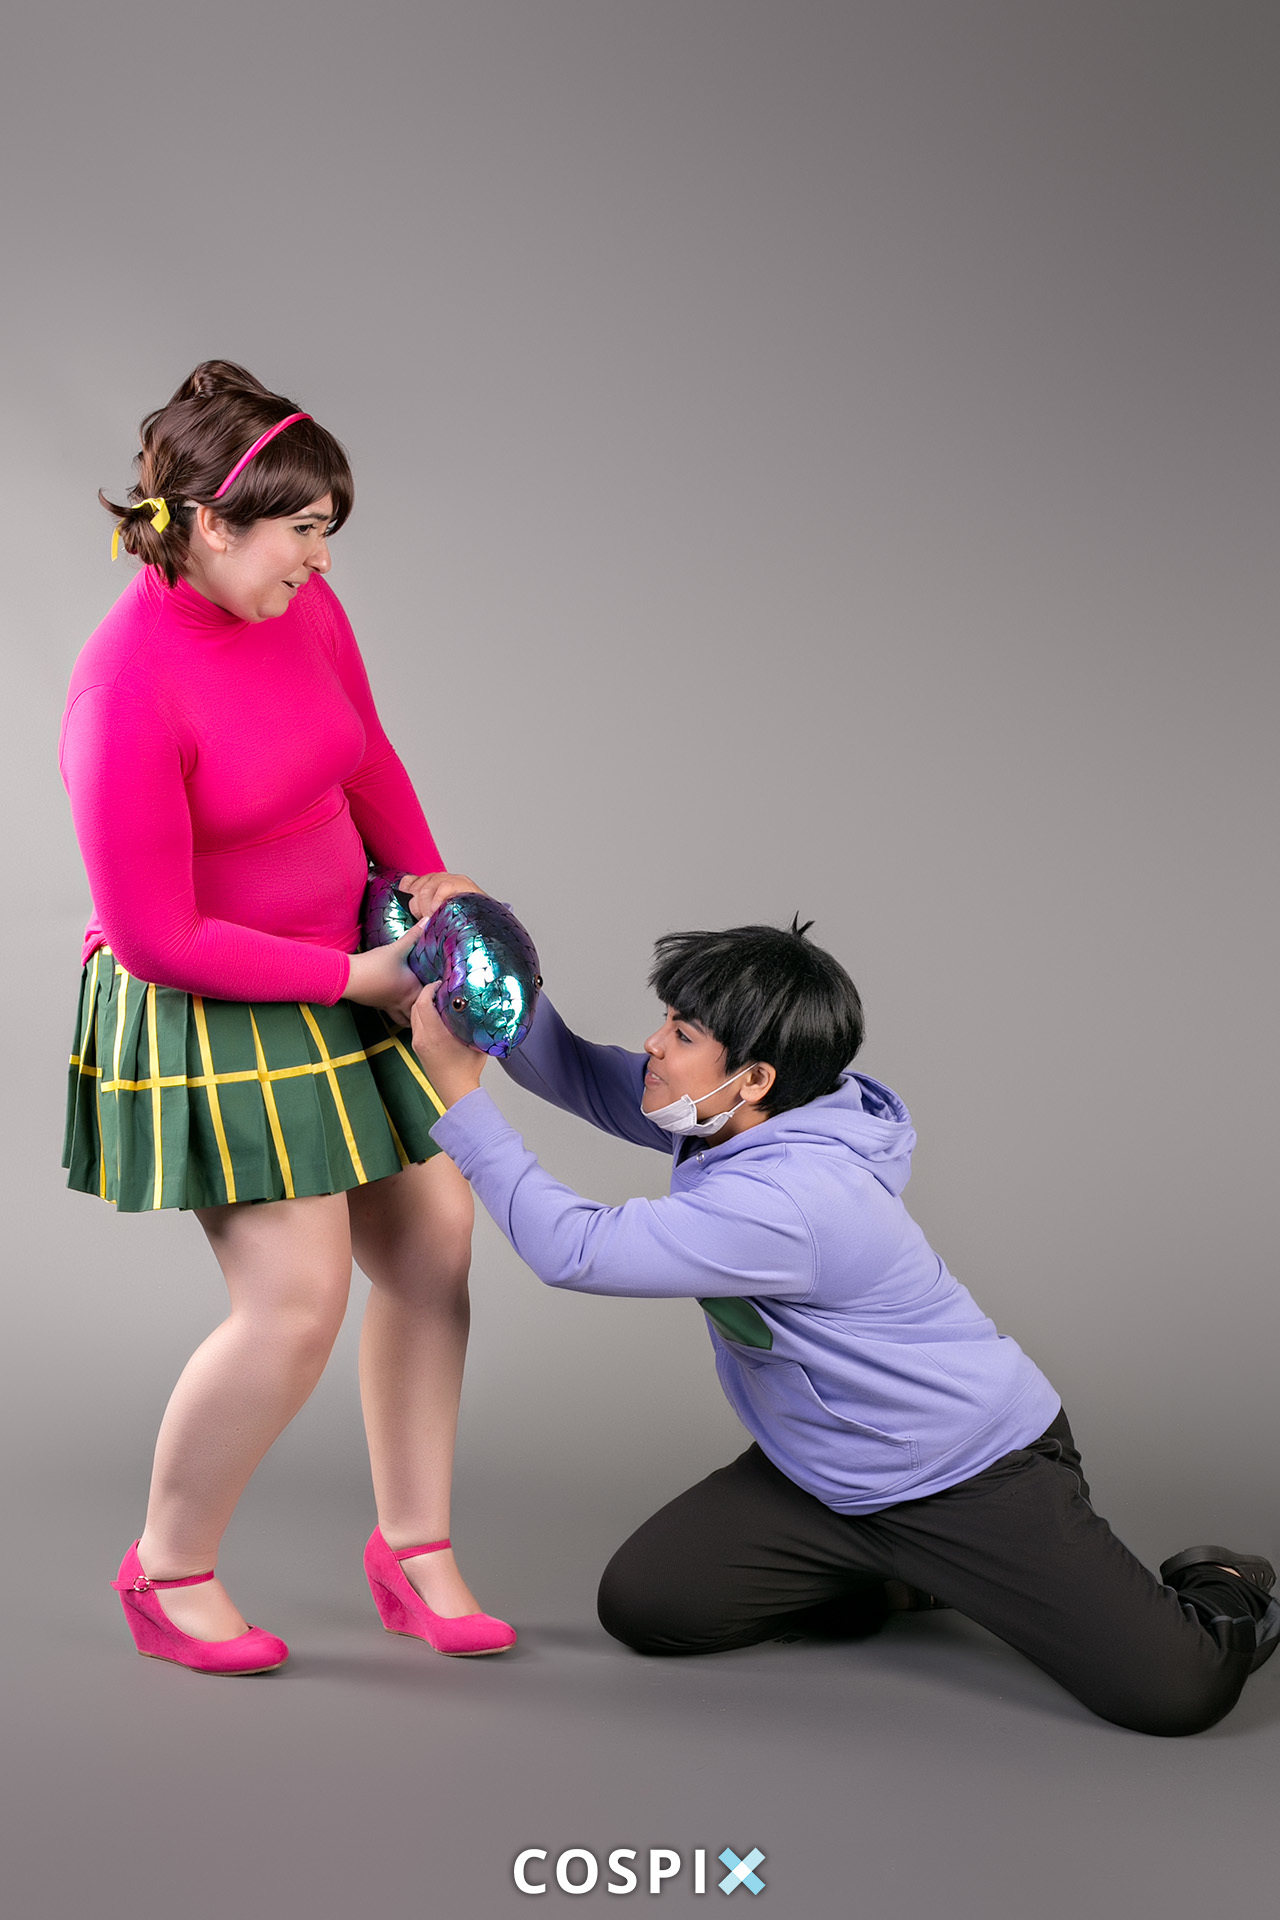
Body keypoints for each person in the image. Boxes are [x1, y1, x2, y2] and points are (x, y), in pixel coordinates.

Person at [408, 916, 1278, 1734]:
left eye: (682, 1034)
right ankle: (898, 1572)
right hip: (826, 1476)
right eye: (667, 1020)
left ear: (754, 1079)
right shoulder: (737, 1117)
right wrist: (476, 939)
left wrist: (458, 1094)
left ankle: (1228, 1581)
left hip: (968, 1471)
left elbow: (574, 1251)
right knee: (651, 1606)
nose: (653, 1045)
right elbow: (568, 1067)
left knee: (1179, 1690)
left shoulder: (798, 1200)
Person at [61, 361, 515, 1674]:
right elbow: (156, 937)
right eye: (301, 532)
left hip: (353, 956)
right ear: (211, 524)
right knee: (296, 1302)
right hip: (216, 993)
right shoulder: (123, 692)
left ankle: (413, 1550)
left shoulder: (301, 607)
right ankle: (167, 1570)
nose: (319, 561)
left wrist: (428, 886)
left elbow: (362, 751)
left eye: (327, 534)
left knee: (433, 1241)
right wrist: (359, 981)